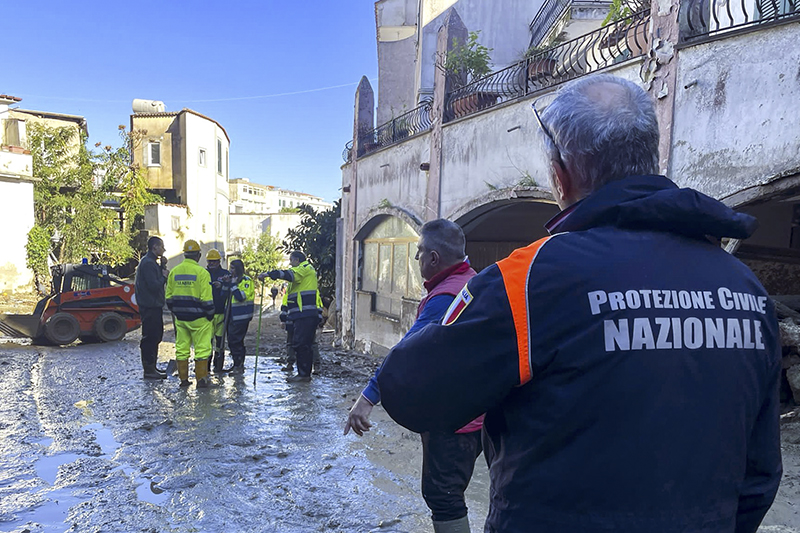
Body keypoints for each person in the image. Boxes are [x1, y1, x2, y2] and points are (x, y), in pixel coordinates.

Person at [376, 74, 782, 533]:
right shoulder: (746, 289)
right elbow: (762, 474)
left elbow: (410, 392)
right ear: (651, 157)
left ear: (560, 173)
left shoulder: (529, 279)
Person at [345, 219, 486, 533]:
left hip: (455, 419)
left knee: (443, 495)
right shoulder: (470, 282)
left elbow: (406, 354)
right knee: (451, 492)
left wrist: (366, 399)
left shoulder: (444, 299)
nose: (416, 259)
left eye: (419, 252)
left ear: (433, 258)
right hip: (476, 411)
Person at [259, 251, 322, 383]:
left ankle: (304, 374)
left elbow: (288, 274)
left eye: (291, 260)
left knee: (301, 344)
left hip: (305, 314)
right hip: (302, 314)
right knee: (304, 344)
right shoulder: (305, 272)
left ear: (298, 260)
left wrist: (269, 274)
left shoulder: (304, 269)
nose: (290, 263)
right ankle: (304, 373)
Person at [166, 240, 215, 388]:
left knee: (181, 348)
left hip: (181, 318)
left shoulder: (174, 271)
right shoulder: (202, 273)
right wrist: (210, 314)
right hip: (199, 319)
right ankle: (201, 380)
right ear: (199, 255)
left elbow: (168, 299)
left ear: (184, 254)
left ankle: (184, 380)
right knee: (202, 349)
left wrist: (176, 312)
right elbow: (207, 300)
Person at [134, 236, 168, 380]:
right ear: (155, 247)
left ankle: (152, 367)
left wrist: (162, 266)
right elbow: (153, 285)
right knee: (150, 337)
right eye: (162, 246)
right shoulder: (147, 263)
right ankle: (149, 369)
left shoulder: (151, 262)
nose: (164, 249)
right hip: (150, 306)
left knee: (156, 335)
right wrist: (164, 276)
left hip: (153, 305)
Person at [225, 259, 254, 374]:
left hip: (241, 316)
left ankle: (239, 365)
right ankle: (237, 363)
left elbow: (241, 296)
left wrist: (232, 285)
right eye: (230, 268)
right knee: (231, 340)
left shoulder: (246, 281)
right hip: (231, 315)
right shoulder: (233, 280)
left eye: (232, 268)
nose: (230, 270)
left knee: (236, 341)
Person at [206, 249, 230, 373]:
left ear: (218, 261)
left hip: (221, 312)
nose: (212, 264)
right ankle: (206, 366)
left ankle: (218, 365)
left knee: (220, 341)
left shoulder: (225, 274)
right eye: (210, 262)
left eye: (214, 262)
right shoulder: (203, 273)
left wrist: (222, 286)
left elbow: (231, 289)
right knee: (207, 341)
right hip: (207, 313)